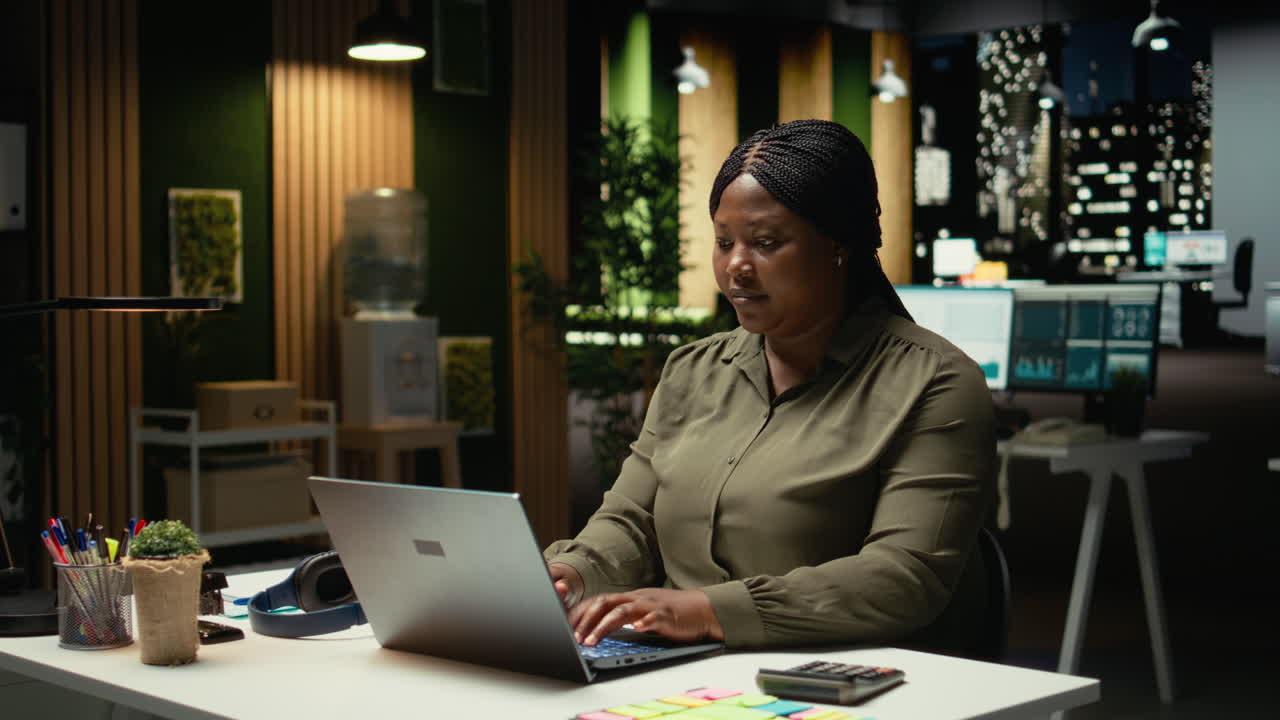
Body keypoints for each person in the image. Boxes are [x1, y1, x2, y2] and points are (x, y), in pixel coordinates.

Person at [543, 119, 996, 653]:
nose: (736, 265)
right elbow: (632, 519)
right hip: (680, 669)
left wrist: (712, 611)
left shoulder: (936, 383)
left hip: (842, 678)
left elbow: (904, 577)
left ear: (838, 246)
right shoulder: (693, 370)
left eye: (765, 243)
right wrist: (572, 571)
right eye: (723, 242)